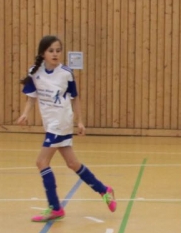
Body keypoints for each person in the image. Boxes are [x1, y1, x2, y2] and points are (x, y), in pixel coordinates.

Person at [15, 35, 116, 222]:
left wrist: (80, 121)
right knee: (72, 163)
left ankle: (55, 208)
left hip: (61, 121)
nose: (55, 54)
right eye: (51, 51)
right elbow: (31, 98)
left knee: (41, 162)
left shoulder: (66, 73)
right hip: (50, 123)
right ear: (43, 53)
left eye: (58, 50)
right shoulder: (35, 72)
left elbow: (75, 98)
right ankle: (104, 190)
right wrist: (25, 113)